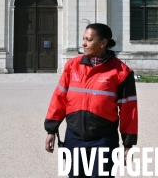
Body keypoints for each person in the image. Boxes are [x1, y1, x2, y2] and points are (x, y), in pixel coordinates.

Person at [44, 23, 138, 177]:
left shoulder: (122, 72)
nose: (83, 43)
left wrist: (128, 143)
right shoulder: (72, 66)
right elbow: (59, 98)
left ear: (103, 43)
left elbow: (129, 110)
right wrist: (51, 129)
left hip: (104, 139)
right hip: (74, 137)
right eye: (83, 39)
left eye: (88, 39)